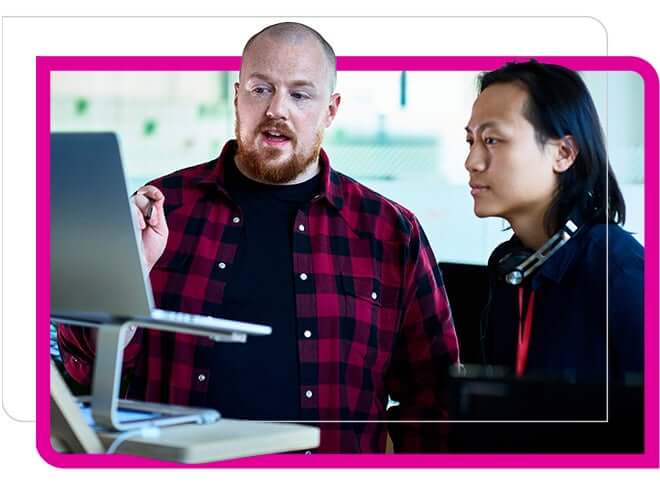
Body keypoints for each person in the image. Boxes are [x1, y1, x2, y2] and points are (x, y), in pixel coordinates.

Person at [58, 22, 460, 453]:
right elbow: (87, 372)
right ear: (236, 97)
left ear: (331, 110)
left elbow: (435, 400)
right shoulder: (156, 210)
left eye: (300, 94)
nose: (277, 110)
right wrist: (127, 276)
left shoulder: (390, 232)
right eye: (260, 89)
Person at [464, 60, 643, 386]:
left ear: (563, 153)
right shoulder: (510, 265)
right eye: (471, 141)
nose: (472, 162)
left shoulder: (617, 267)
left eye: (492, 140)